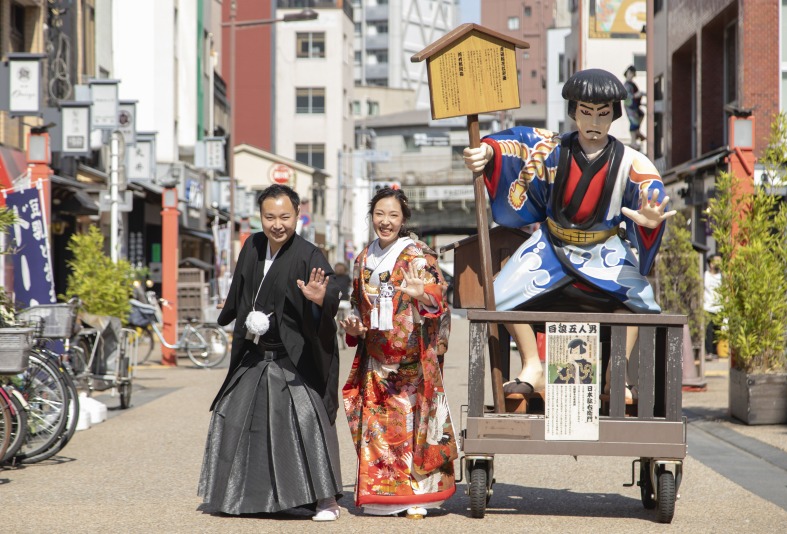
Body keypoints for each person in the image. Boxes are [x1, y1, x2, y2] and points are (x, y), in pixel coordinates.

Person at [463, 68, 675, 401]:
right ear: (574, 112)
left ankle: (616, 374)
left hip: (605, 250)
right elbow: (515, 144)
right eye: (586, 112)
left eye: (603, 113)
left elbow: (651, 194)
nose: (594, 122)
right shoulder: (550, 148)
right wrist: (487, 152)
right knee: (498, 296)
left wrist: (650, 222)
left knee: (639, 305)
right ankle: (532, 365)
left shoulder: (633, 162)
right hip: (551, 246)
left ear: (615, 115)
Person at [198, 184, 343, 521]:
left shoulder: (308, 254)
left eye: (285, 217)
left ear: (297, 216)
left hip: (294, 356)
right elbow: (241, 287)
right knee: (233, 414)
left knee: (307, 419)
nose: (277, 224)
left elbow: (332, 287)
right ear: (260, 217)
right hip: (256, 351)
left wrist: (321, 299)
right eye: (270, 217)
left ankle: (325, 500)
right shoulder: (252, 245)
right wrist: (233, 311)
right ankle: (242, 497)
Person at [340, 187, 457, 519]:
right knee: (377, 429)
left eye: (393, 215)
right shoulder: (363, 258)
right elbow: (357, 303)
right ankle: (382, 496)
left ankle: (419, 496)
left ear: (404, 219)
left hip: (412, 358)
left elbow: (437, 295)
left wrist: (422, 295)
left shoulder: (417, 253)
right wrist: (354, 326)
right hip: (376, 359)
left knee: (412, 428)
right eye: (379, 214)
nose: (385, 221)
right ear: (371, 216)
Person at [704, 253, 722, 359]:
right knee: (708, 331)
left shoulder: (722, 277)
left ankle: (715, 352)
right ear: (711, 264)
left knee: (717, 332)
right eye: (716, 261)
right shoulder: (705, 275)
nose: (719, 263)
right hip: (707, 307)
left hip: (719, 308)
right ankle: (709, 352)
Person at [623, 65, 646, 149]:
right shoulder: (626, 85)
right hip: (630, 107)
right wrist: (636, 95)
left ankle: (637, 132)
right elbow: (627, 97)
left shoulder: (632, 84)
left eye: (632, 73)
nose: (631, 75)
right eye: (630, 73)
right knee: (634, 123)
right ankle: (633, 142)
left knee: (641, 115)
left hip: (635, 107)